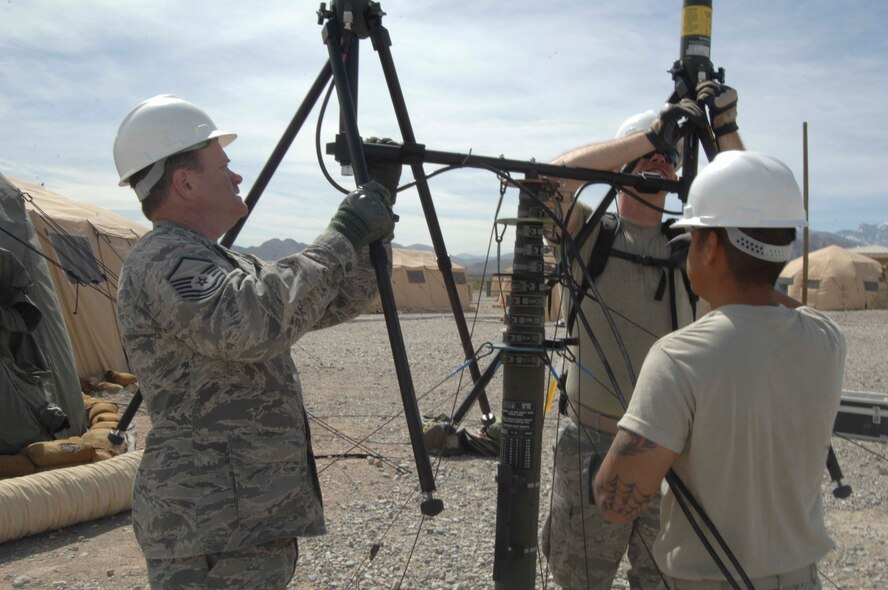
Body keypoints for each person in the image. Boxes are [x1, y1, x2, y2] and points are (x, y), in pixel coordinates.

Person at [112, 94, 397, 589]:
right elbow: (252, 323)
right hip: (209, 523)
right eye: (223, 166)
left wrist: (374, 222)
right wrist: (344, 230)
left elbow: (325, 301)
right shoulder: (163, 257)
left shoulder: (219, 260)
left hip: (241, 518)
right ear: (184, 182)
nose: (237, 176)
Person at [593, 150, 845, 590]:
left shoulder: (678, 357)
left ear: (711, 248)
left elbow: (616, 504)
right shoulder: (827, 339)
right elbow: (773, 301)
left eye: (692, 237)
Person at [540, 81, 744, 590]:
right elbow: (549, 181)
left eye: (669, 160)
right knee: (581, 578)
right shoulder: (592, 234)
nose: (662, 164)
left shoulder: (693, 247)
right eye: (650, 159)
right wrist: (647, 138)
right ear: (624, 167)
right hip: (592, 440)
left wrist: (725, 129)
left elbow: (752, 211)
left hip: (674, 446)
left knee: (666, 581)